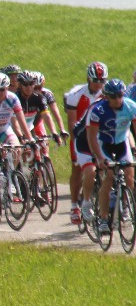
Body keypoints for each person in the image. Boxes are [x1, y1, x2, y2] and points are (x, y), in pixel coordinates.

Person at [82, 77, 136, 235]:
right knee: (109, 177)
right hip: (103, 144)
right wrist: (100, 158)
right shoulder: (98, 110)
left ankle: (125, 206)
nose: (118, 99)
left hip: (122, 143)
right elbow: (92, 137)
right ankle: (104, 219)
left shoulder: (131, 106)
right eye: (113, 97)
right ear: (106, 97)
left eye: (120, 95)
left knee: (129, 175)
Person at [64, 62, 108, 225]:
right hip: (80, 135)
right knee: (77, 169)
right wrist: (75, 142)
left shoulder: (108, 94)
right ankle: (74, 205)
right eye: (96, 81)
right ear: (89, 79)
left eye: (102, 81)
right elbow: (72, 122)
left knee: (106, 170)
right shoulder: (76, 94)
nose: (99, 84)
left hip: (100, 137)